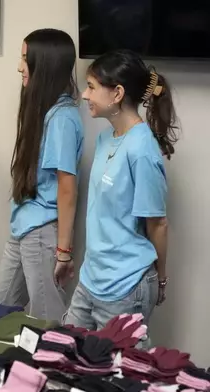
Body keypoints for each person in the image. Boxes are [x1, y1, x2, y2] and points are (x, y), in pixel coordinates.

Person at [64, 49, 179, 336]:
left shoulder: (142, 149)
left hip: (125, 287)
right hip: (91, 279)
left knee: (119, 377)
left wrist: (161, 279)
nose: (85, 95)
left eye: (91, 87)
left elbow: (158, 223)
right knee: (62, 355)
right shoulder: (105, 139)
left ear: (117, 94)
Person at [0, 29, 84, 321]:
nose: (19, 66)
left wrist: (63, 252)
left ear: (45, 65)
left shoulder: (63, 118)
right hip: (23, 227)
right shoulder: (46, 110)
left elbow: (67, 188)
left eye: (24, 59)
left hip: (42, 233)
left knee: (48, 326)